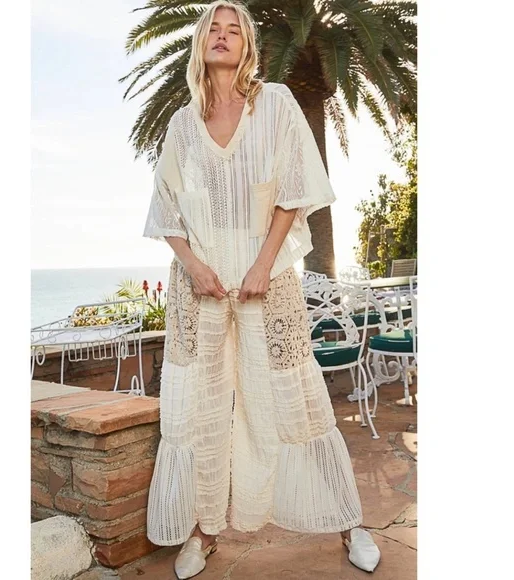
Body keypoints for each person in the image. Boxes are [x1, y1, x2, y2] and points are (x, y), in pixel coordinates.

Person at [142, 2, 381, 578]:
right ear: (200, 43)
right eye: (214, 29)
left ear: (248, 46)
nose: (223, 37)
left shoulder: (274, 104)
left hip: (265, 281)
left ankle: (349, 521)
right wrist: (194, 267)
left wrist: (262, 264)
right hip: (199, 288)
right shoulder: (182, 124)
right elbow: (166, 212)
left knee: (297, 397)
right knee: (200, 410)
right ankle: (203, 532)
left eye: (235, 30)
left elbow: (294, 190)